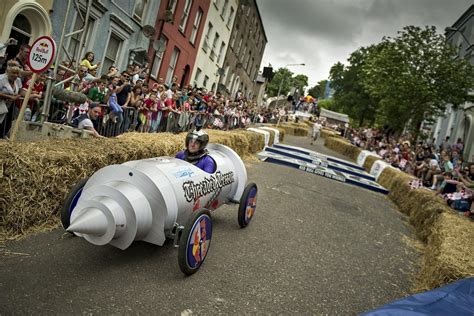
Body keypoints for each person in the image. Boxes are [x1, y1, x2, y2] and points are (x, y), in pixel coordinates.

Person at [0, 60, 26, 138]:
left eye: (17, 73)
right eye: (13, 73)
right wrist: (10, 97)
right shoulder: (1, 79)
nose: (15, 75)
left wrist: (18, 96)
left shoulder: (17, 80)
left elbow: (20, 91)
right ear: (8, 72)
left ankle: (2, 136)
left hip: (9, 105)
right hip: (1, 103)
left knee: (8, 122)